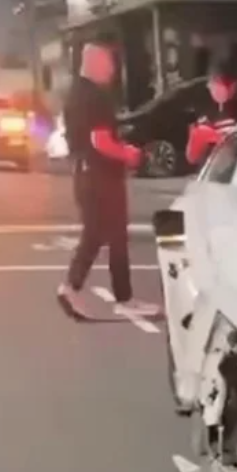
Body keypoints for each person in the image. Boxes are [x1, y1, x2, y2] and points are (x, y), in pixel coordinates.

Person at [57, 43, 160, 319]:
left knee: (96, 233)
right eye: (109, 64)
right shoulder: (95, 96)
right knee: (114, 235)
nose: (114, 70)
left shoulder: (75, 93)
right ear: (95, 64)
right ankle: (119, 298)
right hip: (102, 176)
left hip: (84, 173)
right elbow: (99, 140)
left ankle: (73, 287)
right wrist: (127, 153)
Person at [185, 68, 237, 166]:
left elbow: (192, 156)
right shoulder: (209, 115)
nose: (209, 86)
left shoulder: (210, 118)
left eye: (213, 83)